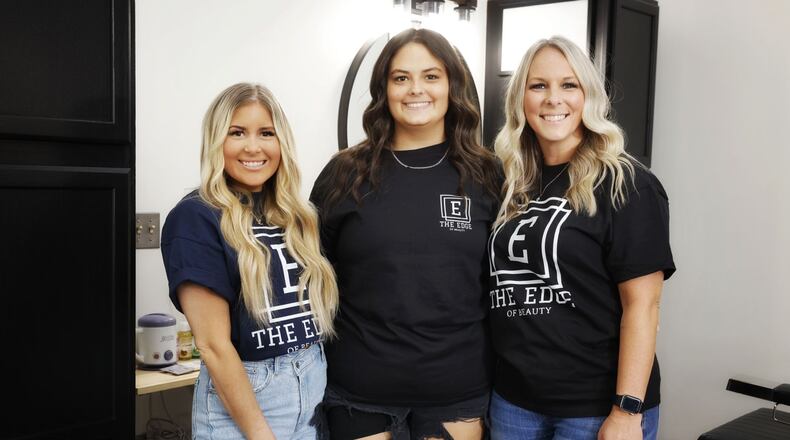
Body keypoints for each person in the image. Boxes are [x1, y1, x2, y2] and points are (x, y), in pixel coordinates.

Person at [310, 28, 501, 440]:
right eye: (401, 78)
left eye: (431, 76)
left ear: (452, 85)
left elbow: (501, 284)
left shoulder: (487, 174)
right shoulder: (344, 173)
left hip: (457, 391)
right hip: (360, 392)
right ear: (384, 88)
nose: (416, 89)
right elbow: (310, 277)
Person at [487, 36, 675, 440]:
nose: (553, 98)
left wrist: (626, 410)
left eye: (568, 85)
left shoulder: (628, 184)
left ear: (588, 95)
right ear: (520, 98)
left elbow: (644, 305)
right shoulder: (509, 183)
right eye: (538, 86)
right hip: (513, 402)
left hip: (594, 408)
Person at [160, 83, 339, 440]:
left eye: (266, 133)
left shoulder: (297, 215)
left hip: (312, 389)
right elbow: (213, 346)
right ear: (216, 142)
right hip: (248, 401)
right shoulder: (196, 217)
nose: (253, 147)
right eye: (237, 133)